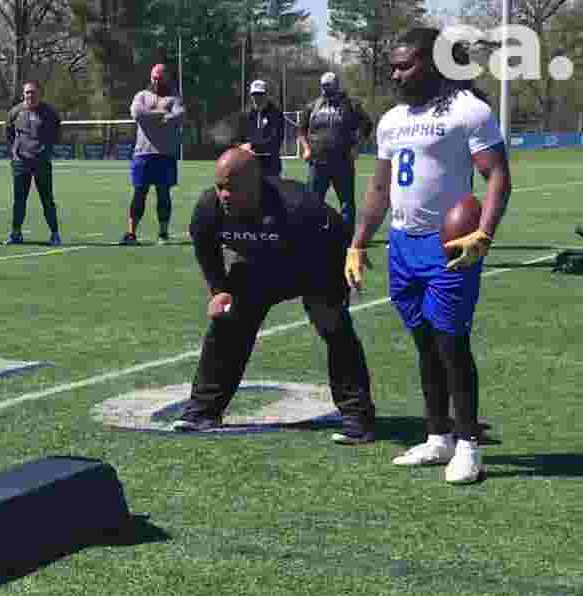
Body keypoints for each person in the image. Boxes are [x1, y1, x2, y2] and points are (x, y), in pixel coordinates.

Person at [346, 28, 512, 485]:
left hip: (450, 245)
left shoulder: (468, 111)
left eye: (406, 65)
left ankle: (468, 444)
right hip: (403, 244)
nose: (396, 74)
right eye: (394, 67)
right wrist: (358, 241)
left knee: (451, 343)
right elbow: (380, 188)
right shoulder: (392, 120)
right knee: (424, 343)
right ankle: (437, 435)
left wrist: (484, 234)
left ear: (435, 63)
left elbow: (497, 176)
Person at [172, 148, 376, 444]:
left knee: (334, 327)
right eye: (220, 186)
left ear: (255, 183)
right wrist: (219, 290)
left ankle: (358, 417)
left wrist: (342, 279)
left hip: (315, 265)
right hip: (259, 266)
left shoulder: (298, 205)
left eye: (232, 187)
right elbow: (206, 250)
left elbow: (339, 238)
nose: (224, 194)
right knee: (227, 324)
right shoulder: (208, 208)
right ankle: (203, 411)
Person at [298, 72, 372, 229]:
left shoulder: (351, 105)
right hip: (317, 163)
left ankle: (347, 236)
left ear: (337, 85)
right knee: (313, 201)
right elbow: (301, 130)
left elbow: (367, 125)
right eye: (323, 86)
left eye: (329, 86)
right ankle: (313, 232)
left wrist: (357, 148)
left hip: (343, 162)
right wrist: (306, 148)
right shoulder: (313, 106)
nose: (325, 90)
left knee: (346, 203)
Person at [122, 63, 185, 245]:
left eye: (160, 78)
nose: (157, 81)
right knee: (139, 194)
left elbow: (179, 116)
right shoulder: (141, 95)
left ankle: (163, 234)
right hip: (143, 154)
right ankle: (131, 234)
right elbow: (137, 113)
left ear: (167, 78)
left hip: (165, 155)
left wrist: (151, 115)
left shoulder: (175, 98)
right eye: (154, 78)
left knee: (163, 194)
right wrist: (162, 114)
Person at [5, 80, 62, 245]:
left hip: (41, 163)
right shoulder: (15, 112)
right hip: (20, 163)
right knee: (19, 200)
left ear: (39, 94)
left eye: (33, 92)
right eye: (27, 92)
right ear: (23, 94)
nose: (30, 95)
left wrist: (46, 150)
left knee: (47, 200)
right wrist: (14, 151)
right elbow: (8, 132)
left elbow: (57, 133)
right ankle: (16, 233)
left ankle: (54, 234)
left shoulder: (49, 112)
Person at [234, 79, 285, 177]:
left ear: (266, 94)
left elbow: (276, 140)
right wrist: (241, 146)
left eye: (260, 94)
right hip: (248, 166)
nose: (257, 98)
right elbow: (238, 138)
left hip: (270, 165)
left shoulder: (276, 114)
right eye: (255, 94)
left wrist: (252, 145)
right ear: (251, 95)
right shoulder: (245, 114)